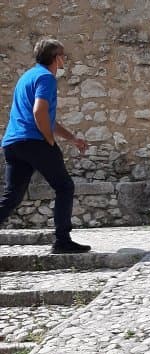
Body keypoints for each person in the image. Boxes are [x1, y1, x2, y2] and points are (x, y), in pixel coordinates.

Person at [0, 37, 91, 254]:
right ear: (56, 58)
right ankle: (62, 240)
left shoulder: (28, 76)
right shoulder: (47, 78)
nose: (64, 58)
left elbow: (47, 118)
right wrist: (49, 140)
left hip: (13, 143)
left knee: (12, 197)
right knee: (64, 186)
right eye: (62, 54)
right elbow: (39, 112)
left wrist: (71, 138)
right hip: (34, 142)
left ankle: (62, 240)